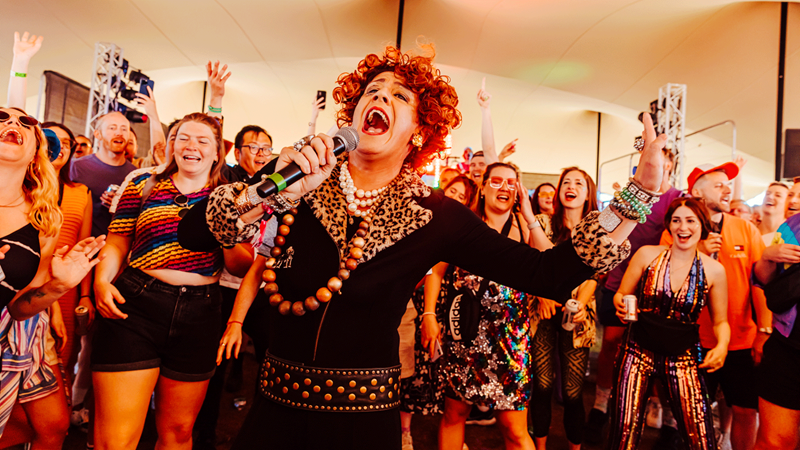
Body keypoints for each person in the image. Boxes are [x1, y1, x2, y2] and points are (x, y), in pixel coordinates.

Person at [197, 44, 666, 449]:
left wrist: (637, 196)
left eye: (399, 95)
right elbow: (195, 233)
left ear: (418, 132)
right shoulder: (298, 177)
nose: (379, 96)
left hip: (363, 421)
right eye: (372, 90)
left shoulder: (436, 214)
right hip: (273, 407)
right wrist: (272, 193)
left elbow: (549, 274)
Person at [91, 113, 246, 450]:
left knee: (177, 433)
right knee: (116, 439)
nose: (191, 146)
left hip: (201, 313)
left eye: (203, 140)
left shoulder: (232, 196)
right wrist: (102, 280)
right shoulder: (143, 182)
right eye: (182, 137)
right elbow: (117, 241)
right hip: (136, 305)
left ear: (217, 152)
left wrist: (226, 227)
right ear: (171, 145)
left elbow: (241, 265)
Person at [0, 106, 105, 438]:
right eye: (1, 117)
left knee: (51, 425)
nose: (12, 123)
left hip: (7, 334)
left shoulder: (44, 220)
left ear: (35, 149)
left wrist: (59, 286)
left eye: (24, 121)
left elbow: (19, 307)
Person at [608, 197, 730, 450]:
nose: (682, 227)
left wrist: (722, 346)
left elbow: (721, 321)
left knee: (701, 434)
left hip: (682, 355)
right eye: (676, 220)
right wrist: (621, 303)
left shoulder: (714, 270)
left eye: (690, 221)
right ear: (669, 225)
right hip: (637, 349)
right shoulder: (647, 254)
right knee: (624, 431)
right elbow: (622, 293)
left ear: (702, 225)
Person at [662, 162, 768, 450]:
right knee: (692, 413)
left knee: (747, 411)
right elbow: (660, 282)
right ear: (697, 190)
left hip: (740, 340)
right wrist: (695, 253)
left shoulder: (746, 229)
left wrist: (764, 329)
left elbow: (761, 283)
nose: (727, 188)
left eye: (728, 184)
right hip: (690, 340)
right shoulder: (676, 229)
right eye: (718, 183)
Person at [585, 148, 681, 444]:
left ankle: (660, 410)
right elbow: (605, 227)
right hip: (616, 281)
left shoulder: (676, 200)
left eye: (661, 164)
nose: (654, 168)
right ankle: (601, 405)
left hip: (654, 288)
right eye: (648, 162)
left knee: (656, 352)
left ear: (670, 167)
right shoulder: (629, 193)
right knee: (611, 344)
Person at [436, 163, 534, 450]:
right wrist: (429, 314)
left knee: (514, 428)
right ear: (484, 186)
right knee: (454, 414)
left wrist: (529, 216)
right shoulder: (464, 222)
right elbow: (438, 271)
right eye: (497, 181)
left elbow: (548, 263)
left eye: (511, 183)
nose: (504, 187)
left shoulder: (525, 226)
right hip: (465, 334)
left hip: (510, 338)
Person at [524, 167, 599, 450]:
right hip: (543, 311)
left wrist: (582, 303)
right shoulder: (542, 223)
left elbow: (595, 273)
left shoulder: (594, 229)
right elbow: (531, 262)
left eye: (579, 182)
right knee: (542, 386)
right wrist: (541, 294)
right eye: (566, 182)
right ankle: (540, 447)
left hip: (577, 313)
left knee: (572, 392)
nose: (571, 186)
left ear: (588, 193)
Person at [400, 174, 477, 450]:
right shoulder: (428, 220)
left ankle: (451, 432)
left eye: (462, 194)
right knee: (410, 368)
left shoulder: (466, 231)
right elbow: (431, 270)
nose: (455, 196)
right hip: (421, 303)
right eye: (452, 190)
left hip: (448, 309)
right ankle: (404, 431)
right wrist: (427, 314)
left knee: (437, 370)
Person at [752, 213, 800, 449]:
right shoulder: (792, 226)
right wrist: (767, 258)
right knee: (774, 441)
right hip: (787, 346)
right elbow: (764, 281)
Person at [69, 111, 137, 237]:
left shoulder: (136, 175)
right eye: (112, 128)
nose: (119, 133)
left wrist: (121, 208)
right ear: (98, 134)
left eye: (124, 129)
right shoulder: (76, 167)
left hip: (117, 248)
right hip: (78, 247)